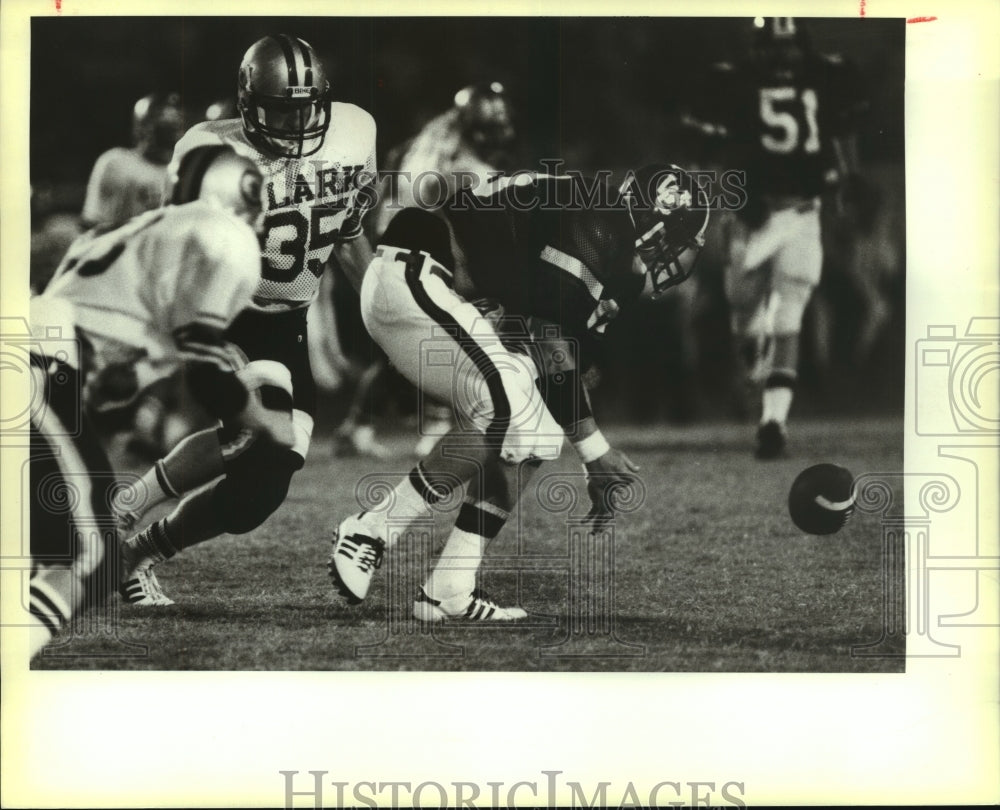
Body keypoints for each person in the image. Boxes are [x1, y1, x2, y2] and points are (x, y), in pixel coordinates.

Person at [329, 165, 710, 621]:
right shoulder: (597, 218)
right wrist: (595, 453)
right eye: (681, 245)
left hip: (445, 294)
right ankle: (370, 530)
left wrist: (585, 442)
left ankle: (449, 587)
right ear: (657, 226)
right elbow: (549, 337)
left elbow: (563, 364)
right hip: (414, 275)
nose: (682, 263)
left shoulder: (611, 249)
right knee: (503, 410)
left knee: (540, 430)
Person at [111, 34, 378, 605]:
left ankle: (130, 534)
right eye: (282, 107)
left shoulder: (355, 132)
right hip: (233, 313)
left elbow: (349, 228)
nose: (296, 120)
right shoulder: (208, 150)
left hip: (292, 321)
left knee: (257, 476)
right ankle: (131, 537)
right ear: (249, 101)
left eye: (305, 106)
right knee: (263, 458)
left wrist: (380, 296)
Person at [25, 144, 269, 657]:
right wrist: (261, 420)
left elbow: (109, 375)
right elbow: (204, 367)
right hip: (38, 367)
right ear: (242, 191)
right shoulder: (223, 233)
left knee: (38, 552)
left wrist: (124, 377)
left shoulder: (124, 234)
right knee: (91, 560)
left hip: (33, 351)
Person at [683, 17, 866, 458]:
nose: (784, 59)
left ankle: (773, 422)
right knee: (744, 309)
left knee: (790, 318)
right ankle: (755, 357)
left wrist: (843, 182)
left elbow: (841, 135)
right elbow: (710, 150)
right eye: (776, 49)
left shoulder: (756, 79)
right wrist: (733, 192)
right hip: (756, 214)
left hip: (801, 212)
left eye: (789, 48)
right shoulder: (746, 82)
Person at [81, 92, 187, 231]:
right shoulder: (117, 163)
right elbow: (94, 224)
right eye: (158, 122)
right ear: (143, 128)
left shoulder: (185, 170)